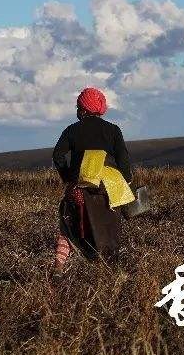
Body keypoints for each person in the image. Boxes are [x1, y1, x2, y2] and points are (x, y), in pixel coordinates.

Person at [51, 87, 133, 269]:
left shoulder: (71, 130)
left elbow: (57, 155)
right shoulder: (113, 130)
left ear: (82, 109)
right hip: (109, 189)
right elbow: (124, 163)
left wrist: (68, 178)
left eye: (77, 107)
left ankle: (59, 265)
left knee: (68, 226)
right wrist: (125, 182)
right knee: (109, 233)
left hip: (79, 188)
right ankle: (106, 273)